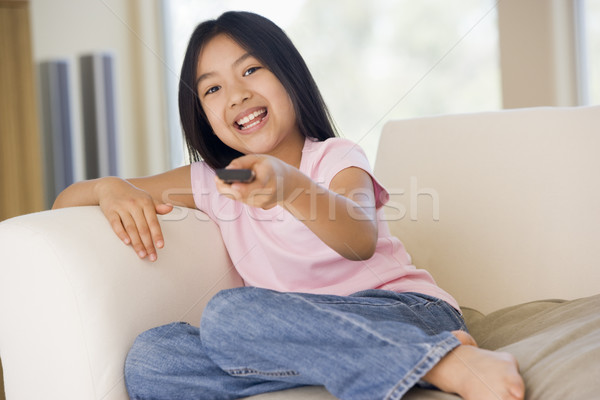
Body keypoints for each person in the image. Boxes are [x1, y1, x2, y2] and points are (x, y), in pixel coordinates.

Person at [53, 11, 524, 400]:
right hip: (296, 336)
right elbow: (63, 204)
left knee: (227, 314)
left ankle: (439, 357)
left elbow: (359, 238)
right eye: (212, 88)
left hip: (401, 312)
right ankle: (367, 364)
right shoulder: (213, 182)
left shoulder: (335, 156)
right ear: (203, 116)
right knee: (153, 358)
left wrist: (292, 188)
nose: (236, 94)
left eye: (251, 69)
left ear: (290, 76)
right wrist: (108, 188)